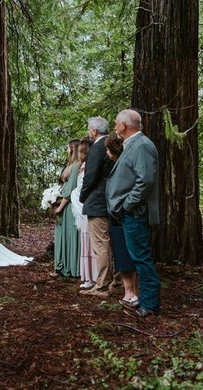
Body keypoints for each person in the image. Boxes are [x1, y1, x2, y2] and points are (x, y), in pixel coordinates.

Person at [106, 109, 161, 317]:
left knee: (141, 257)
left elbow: (145, 181)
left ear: (123, 126)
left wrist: (127, 205)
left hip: (136, 213)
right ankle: (147, 302)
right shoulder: (133, 145)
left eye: (116, 123)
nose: (114, 127)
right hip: (130, 212)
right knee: (138, 256)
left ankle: (149, 304)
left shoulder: (142, 146)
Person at [78, 116, 116, 298]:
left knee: (101, 245)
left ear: (94, 131)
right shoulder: (113, 145)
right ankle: (114, 282)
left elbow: (90, 177)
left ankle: (102, 285)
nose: (88, 132)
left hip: (97, 202)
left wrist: (83, 196)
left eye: (88, 129)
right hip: (111, 201)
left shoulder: (96, 148)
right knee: (110, 244)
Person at [104, 133, 140, 309]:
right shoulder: (118, 163)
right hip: (117, 213)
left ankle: (131, 293)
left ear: (112, 150)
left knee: (125, 254)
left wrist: (123, 206)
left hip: (121, 213)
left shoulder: (123, 163)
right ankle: (130, 291)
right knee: (122, 253)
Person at [51, 139, 81, 278]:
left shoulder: (76, 166)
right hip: (65, 204)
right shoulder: (71, 165)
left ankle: (70, 267)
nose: (66, 150)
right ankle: (62, 265)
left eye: (68, 148)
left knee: (70, 235)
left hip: (69, 208)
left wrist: (59, 208)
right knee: (62, 235)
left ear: (73, 149)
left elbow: (69, 191)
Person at [70, 137, 97, 289]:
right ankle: (88, 277)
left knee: (91, 243)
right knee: (86, 242)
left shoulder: (87, 167)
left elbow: (83, 188)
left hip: (87, 208)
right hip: (84, 208)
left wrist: (75, 194)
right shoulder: (84, 166)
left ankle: (93, 277)